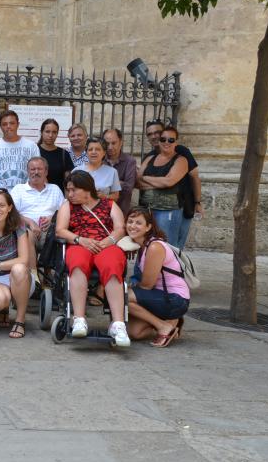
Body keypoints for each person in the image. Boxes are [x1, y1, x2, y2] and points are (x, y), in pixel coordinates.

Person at [54, 170, 129, 346]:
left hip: (106, 244)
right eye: (68, 190)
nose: (70, 194)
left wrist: (106, 242)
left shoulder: (109, 204)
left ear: (87, 189)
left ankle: (118, 324)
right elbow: (60, 230)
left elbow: (120, 228)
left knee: (112, 265)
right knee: (78, 264)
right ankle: (79, 318)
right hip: (80, 243)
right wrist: (81, 240)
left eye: (74, 190)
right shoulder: (68, 206)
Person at [124, 207, 190, 347]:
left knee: (119, 296)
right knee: (134, 332)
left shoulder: (154, 247)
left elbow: (147, 285)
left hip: (175, 298)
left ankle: (163, 326)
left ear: (148, 227)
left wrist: (128, 289)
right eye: (130, 221)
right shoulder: (142, 246)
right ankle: (170, 322)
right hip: (160, 296)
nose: (132, 226)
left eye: (138, 223)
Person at [0, 189, 33, 338]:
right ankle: (4, 309)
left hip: (18, 278)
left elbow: (23, 259)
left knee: (19, 268)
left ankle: (20, 320)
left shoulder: (19, 227)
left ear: (9, 208)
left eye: (2, 205)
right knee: (0, 301)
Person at [144, 119, 203, 249]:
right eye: (149, 134)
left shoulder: (182, 151)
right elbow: (139, 180)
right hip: (157, 206)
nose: (154, 136)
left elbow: (195, 177)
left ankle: (176, 268)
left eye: (157, 133)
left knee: (175, 245)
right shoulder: (149, 156)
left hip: (184, 203)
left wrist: (197, 202)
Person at [136, 125, 189, 247]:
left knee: (166, 246)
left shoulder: (181, 160)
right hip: (146, 210)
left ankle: (167, 267)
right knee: (144, 245)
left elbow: (169, 181)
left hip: (167, 211)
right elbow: (137, 181)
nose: (166, 142)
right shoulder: (149, 158)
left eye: (171, 140)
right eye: (163, 139)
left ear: (176, 142)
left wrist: (146, 178)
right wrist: (159, 183)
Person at [10, 157, 65, 269]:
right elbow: (11, 212)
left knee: (58, 232)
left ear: (46, 172)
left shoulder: (55, 189)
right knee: (26, 234)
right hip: (27, 230)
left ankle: (50, 276)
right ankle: (34, 277)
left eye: (39, 169)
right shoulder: (18, 189)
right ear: (28, 171)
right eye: (32, 169)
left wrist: (52, 218)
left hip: (50, 232)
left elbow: (65, 210)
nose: (36, 172)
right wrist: (29, 222)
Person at [0, 109, 40, 191]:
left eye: (12, 123)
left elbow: (38, 172)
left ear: (18, 124)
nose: (8, 126)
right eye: (4, 124)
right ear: (0, 126)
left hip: (26, 194)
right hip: (1, 196)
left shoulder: (31, 146)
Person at [103, 128, 138, 215]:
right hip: (102, 210)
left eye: (114, 143)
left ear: (121, 143)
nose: (110, 147)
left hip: (121, 209)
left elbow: (128, 188)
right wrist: (119, 183)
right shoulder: (100, 160)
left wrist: (107, 183)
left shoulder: (130, 161)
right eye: (107, 144)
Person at [36, 118, 73, 192]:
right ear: (41, 132)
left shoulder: (64, 154)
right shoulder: (34, 151)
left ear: (57, 134)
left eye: (54, 132)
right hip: (36, 196)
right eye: (47, 131)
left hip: (58, 197)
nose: (50, 135)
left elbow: (68, 180)